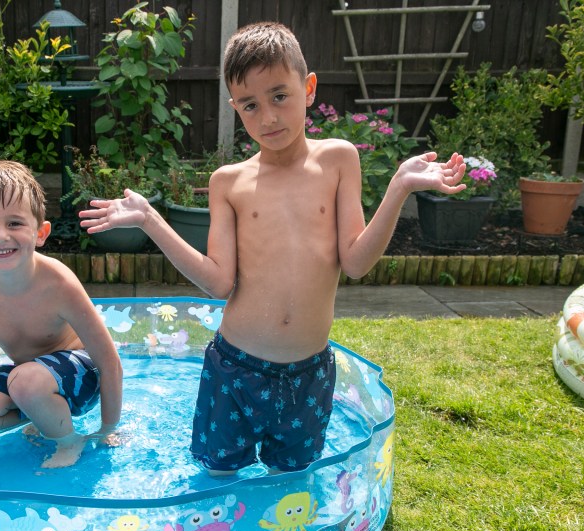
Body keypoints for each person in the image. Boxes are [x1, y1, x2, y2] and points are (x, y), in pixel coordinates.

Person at [80, 22, 466, 475]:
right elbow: (218, 283)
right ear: (235, 108)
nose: (267, 117)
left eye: (279, 96)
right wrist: (151, 220)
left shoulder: (338, 160)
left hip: (309, 373)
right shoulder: (229, 182)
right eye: (250, 105)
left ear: (308, 88)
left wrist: (399, 187)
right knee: (217, 475)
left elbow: (357, 262)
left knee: (292, 481)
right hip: (234, 369)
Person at [0, 160, 122, 468]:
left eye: (14, 223)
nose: (0, 235)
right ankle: (43, 414)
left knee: (26, 380)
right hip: (28, 379)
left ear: (40, 232)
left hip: (81, 378)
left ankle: (67, 440)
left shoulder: (57, 282)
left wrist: (107, 429)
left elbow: (109, 363)